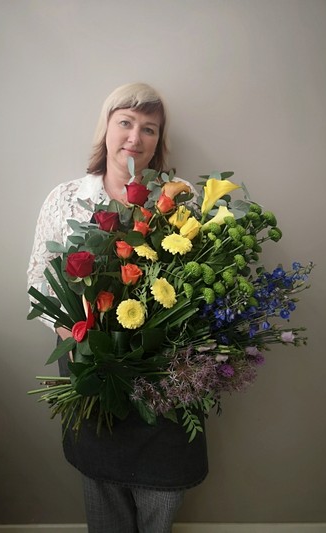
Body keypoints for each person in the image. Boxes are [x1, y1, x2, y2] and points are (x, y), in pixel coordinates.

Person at [27, 83, 208, 533]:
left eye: (149, 129)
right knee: (102, 484)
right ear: (106, 128)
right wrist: (70, 334)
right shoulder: (66, 199)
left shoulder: (177, 203)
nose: (135, 137)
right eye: (125, 122)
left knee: (164, 486)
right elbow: (38, 278)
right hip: (90, 361)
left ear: (158, 142)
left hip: (161, 370)